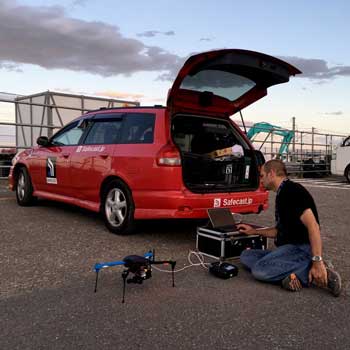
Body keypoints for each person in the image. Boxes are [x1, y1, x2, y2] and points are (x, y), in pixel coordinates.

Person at [237, 159, 342, 296]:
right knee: (246, 256)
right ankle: (290, 275)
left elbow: (314, 227)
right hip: (287, 250)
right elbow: (278, 231)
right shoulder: (282, 194)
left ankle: (321, 272)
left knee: (259, 270)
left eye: (262, 176)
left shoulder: (293, 191)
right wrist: (254, 231)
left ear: (272, 173)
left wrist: (317, 260)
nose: (260, 180)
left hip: (300, 248)